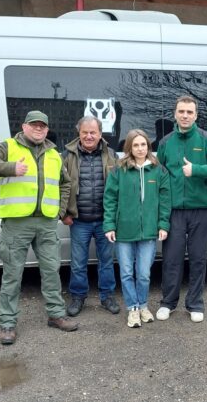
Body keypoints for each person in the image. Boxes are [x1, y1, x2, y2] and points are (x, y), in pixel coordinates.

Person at [0, 110, 78, 345]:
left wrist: (60, 211)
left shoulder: (54, 154)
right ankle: (7, 324)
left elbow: (65, 184)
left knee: (51, 270)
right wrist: (11, 168)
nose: (39, 129)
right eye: (34, 125)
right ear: (24, 126)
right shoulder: (8, 146)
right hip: (17, 223)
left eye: (43, 126)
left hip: (46, 222)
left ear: (47, 129)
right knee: (13, 274)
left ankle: (56, 315)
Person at [155, 95, 207, 323]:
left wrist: (196, 169)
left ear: (196, 115)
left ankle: (195, 304)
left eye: (190, 112)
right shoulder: (166, 142)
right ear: (175, 114)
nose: (185, 116)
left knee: (197, 258)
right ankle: (168, 302)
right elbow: (160, 174)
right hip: (174, 211)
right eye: (181, 111)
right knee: (171, 259)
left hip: (200, 210)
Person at [103, 129, 171, 328]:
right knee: (126, 272)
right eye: (136, 145)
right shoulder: (118, 170)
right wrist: (109, 225)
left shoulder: (159, 170)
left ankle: (143, 306)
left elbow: (165, 201)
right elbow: (110, 199)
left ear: (148, 147)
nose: (140, 149)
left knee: (144, 274)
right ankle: (132, 309)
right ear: (129, 148)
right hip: (124, 231)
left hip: (148, 231)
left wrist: (163, 224)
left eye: (144, 145)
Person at [62, 116, 120, 316]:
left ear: (100, 134)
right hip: (79, 221)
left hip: (106, 221)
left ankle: (107, 297)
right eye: (85, 132)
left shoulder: (111, 155)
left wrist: (115, 217)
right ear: (79, 133)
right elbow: (59, 187)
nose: (88, 136)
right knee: (78, 263)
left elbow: (120, 187)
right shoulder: (67, 156)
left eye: (93, 132)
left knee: (106, 261)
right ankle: (78, 297)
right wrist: (64, 214)